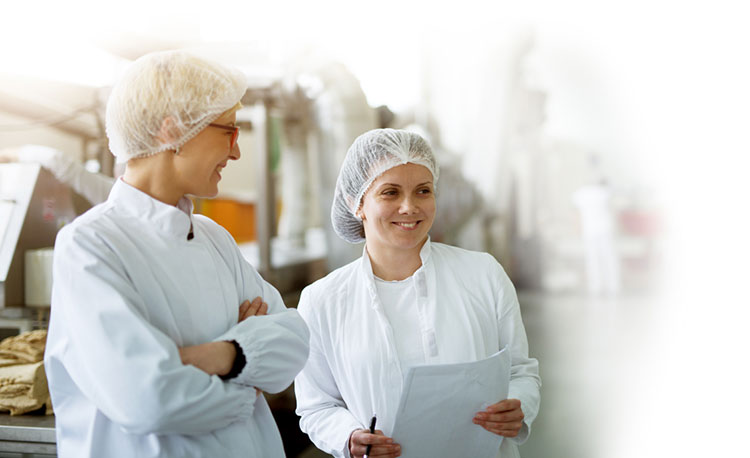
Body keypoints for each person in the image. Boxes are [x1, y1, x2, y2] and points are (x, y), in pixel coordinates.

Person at [43, 50, 310, 458]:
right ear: (172, 131)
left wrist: (224, 355)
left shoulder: (213, 237)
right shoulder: (91, 245)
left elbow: (293, 343)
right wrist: (245, 382)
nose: (236, 152)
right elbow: (146, 396)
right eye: (229, 131)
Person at [294, 129, 541, 458]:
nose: (409, 207)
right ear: (358, 204)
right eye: (390, 192)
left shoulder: (484, 275)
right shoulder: (323, 300)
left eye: (423, 191)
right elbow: (317, 405)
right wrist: (348, 437)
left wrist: (518, 405)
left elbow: (520, 371)